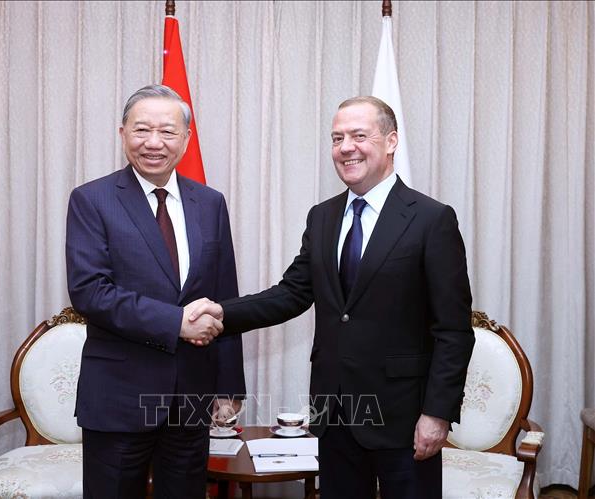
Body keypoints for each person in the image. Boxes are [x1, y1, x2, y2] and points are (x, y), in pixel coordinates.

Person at [190, 96, 475, 499]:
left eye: (359, 136)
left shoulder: (431, 219)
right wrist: (222, 311)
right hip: (333, 413)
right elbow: (292, 293)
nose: (345, 148)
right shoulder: (322, 216)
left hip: (403, 416)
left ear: (391, 141)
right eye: (337, 138)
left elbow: (453, 330)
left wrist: (437, 413)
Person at [65, 84, 245, 499]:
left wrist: (229, 386)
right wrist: (176, 322)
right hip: (119, 396)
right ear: (122, 133)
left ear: (186, 138)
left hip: (191, 396)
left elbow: (225, 298)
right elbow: (90, 291)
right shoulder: (92, 200)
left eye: (167, 131)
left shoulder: (210, 203)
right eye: (142, 129)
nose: (153, 142)